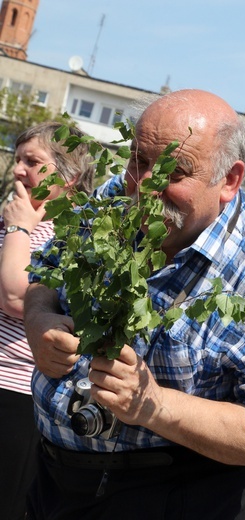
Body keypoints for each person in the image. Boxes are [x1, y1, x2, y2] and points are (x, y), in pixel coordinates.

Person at [23, 90, 245, 520]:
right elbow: (47, 268)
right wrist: (39, 317)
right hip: (55, 481)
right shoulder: (117, 195)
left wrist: (155, 405)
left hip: (169, 497)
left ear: (231, 179)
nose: (145, 185)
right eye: (139, 161)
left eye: (173, 170)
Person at [0, 121, 95, 520]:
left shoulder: (71, 233)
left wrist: (21, 228)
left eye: (33, 162)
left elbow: (16, 296)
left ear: (70, 177)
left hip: (17, 395)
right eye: (17, 159)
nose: (19, 169)